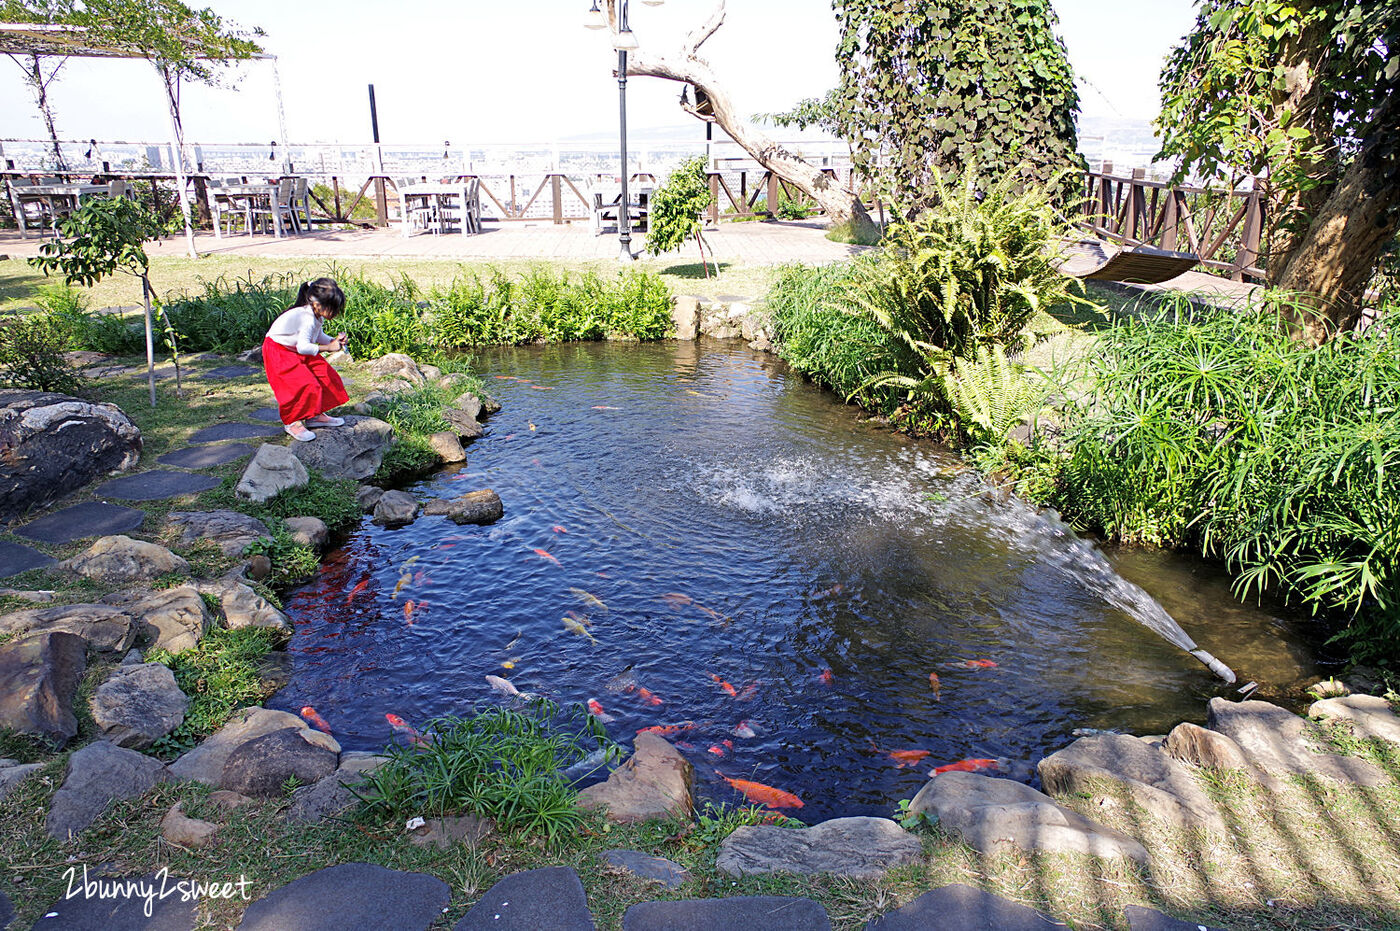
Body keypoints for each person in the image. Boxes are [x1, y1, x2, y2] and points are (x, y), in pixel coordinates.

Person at [263, 278, 351, 441]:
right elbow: (303, 347)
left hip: (295, 347)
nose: (335, 313)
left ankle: (314, 415)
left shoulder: (316, 316)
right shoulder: (307, 317)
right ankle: (292, 422)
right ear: (317, 304)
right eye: (333, 308)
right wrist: (328, 348)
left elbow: (318, 336)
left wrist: (334, 341)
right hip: (279, 350)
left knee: (325, 375)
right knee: (300, 384)